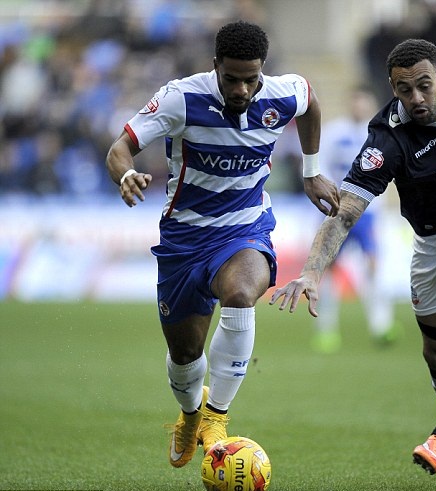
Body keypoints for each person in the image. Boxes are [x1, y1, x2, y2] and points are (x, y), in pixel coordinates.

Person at [271, 34, 436, 480]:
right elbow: (344, 214)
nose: (415, 98)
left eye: (424, 86)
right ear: (392, 88)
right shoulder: (387, 139)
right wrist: (313, 273)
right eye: (403, 89)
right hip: (435, 241)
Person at [105, 20, 339, 469]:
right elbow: (120, 148)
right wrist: (126, 175)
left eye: (251, 79)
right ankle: (192, 414)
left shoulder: (282, 92)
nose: (242, 89)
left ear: (262, 71)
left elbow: (310, 104)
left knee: (241, 291)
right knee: (184, 354)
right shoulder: (181, 98)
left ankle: (216, 416)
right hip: (184, 238)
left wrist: (310, 170)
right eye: (232, 79)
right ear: (215, 66)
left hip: (244, 227)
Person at [311, 85, 399, 353]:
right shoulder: (335, 133)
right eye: (356, 102)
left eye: (364, 103)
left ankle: (381, 327)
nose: (359, 107)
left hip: (368, 213)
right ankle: (326, 331)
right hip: (338, 212)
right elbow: (319, 164)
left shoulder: (379, 134)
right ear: (351, 104)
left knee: (372, 268)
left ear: (370, 105)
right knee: (328, 272)